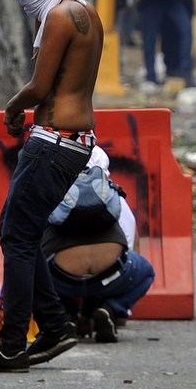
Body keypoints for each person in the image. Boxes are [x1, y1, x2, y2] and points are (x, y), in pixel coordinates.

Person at [0, 0, 103, 373]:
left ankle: (12, 345)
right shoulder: (85, 12)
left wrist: (11, 108)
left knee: (18, 236)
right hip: (72, 138)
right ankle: (54, 327)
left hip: (55, 140)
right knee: (19, 231)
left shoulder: (60, 17)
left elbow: (40, 85)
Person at [45, 146, 157, 343]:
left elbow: (26, 247)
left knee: (36, 269)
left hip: (60, 280)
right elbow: (127, 249)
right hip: (108, 277)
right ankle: (110, 308)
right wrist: (89, 312)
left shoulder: (47, 194)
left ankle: (65, 316)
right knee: (145, 270)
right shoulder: (114, 198)